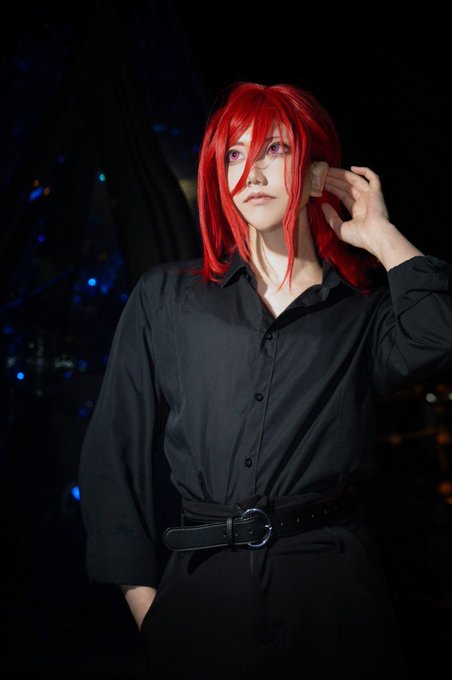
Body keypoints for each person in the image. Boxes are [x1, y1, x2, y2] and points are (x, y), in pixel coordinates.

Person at [78, 81, 452, 679]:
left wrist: (379, 234)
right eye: (234, 153)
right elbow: (111, 454)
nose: (250, 171)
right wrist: (147, 608)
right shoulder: (167, 298)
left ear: (316, 172)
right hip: (201, 595)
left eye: (274, 149)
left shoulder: (362, 312)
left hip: (332, 596)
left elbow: (437, 335)